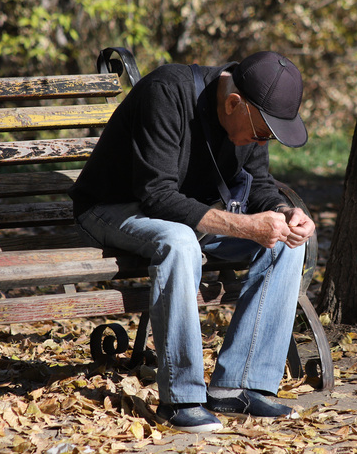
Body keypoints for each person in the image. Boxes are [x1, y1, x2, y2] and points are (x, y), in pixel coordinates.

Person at [69, 51, 316, 433]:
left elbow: (261, 186)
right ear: (234, 102)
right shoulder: (166, 93)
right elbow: (156, 195)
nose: (263, 141)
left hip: (183, 214)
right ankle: (180, 399)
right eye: (263, 132)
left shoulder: (246, 118)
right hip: (111, 208)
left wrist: (285, 213)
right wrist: (246, 227)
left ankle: (238, 386)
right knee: (182, 242)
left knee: (286, 242)